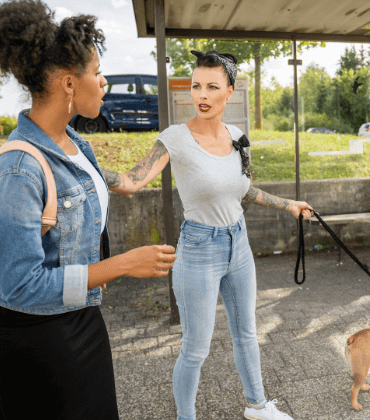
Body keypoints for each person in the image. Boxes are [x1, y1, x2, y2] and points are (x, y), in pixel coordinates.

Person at [0, 2, 177, 419]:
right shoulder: (17, 171)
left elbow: (116, 183)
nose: (103, 82)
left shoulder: (73, 142)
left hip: (77, 312)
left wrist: (170, 145)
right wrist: (123, 264)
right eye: (97, 72)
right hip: (28, 328)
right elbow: (21, 285)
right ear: (68, 83)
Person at [102, 50, 312, 420]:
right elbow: (132, 182)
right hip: (199, 249)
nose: (201, 94)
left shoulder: (237, 136)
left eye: (212, 87)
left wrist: (287, 204)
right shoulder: (175, 138)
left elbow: (243, 189)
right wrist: (82, 163)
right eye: (195, 86)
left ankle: (258, 406)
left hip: (239, 244)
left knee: (247, 334)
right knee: (195, 349)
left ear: (229, 91)